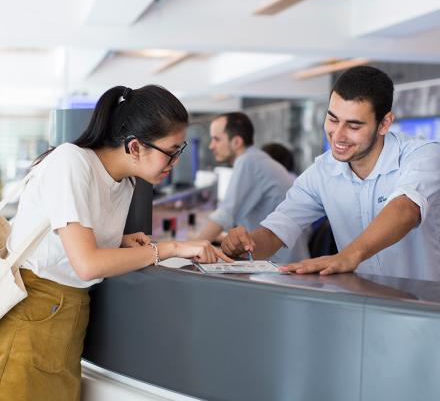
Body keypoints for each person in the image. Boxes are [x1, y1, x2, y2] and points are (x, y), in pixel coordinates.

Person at [0, 85, 231, 401]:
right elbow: (87, 264)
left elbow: (72, 239)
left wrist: (118, 241)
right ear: (136, 147)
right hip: (34, 311)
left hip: (68, 318)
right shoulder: (72, 161)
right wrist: (169, 248)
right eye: (172, 150)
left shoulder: (125, 183)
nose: (175, 162)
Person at [221, 66, 440, 280]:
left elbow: (405, 210)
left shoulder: (422, 155)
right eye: (333, 119)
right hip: (365, 305)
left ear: (384, 123)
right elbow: (275, 231)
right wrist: (244, 245)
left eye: (353, 126)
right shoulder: (321, 173)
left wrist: (347, 256)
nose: (338, 136)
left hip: (424, 307)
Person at [196, 112, 310, 263]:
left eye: (216, 139)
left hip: (279, 264)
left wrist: (191, 248)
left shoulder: (248, 161)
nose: (211, 146)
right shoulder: (257, 159)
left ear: (236, 142)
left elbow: (224, 215)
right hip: (277, 258)